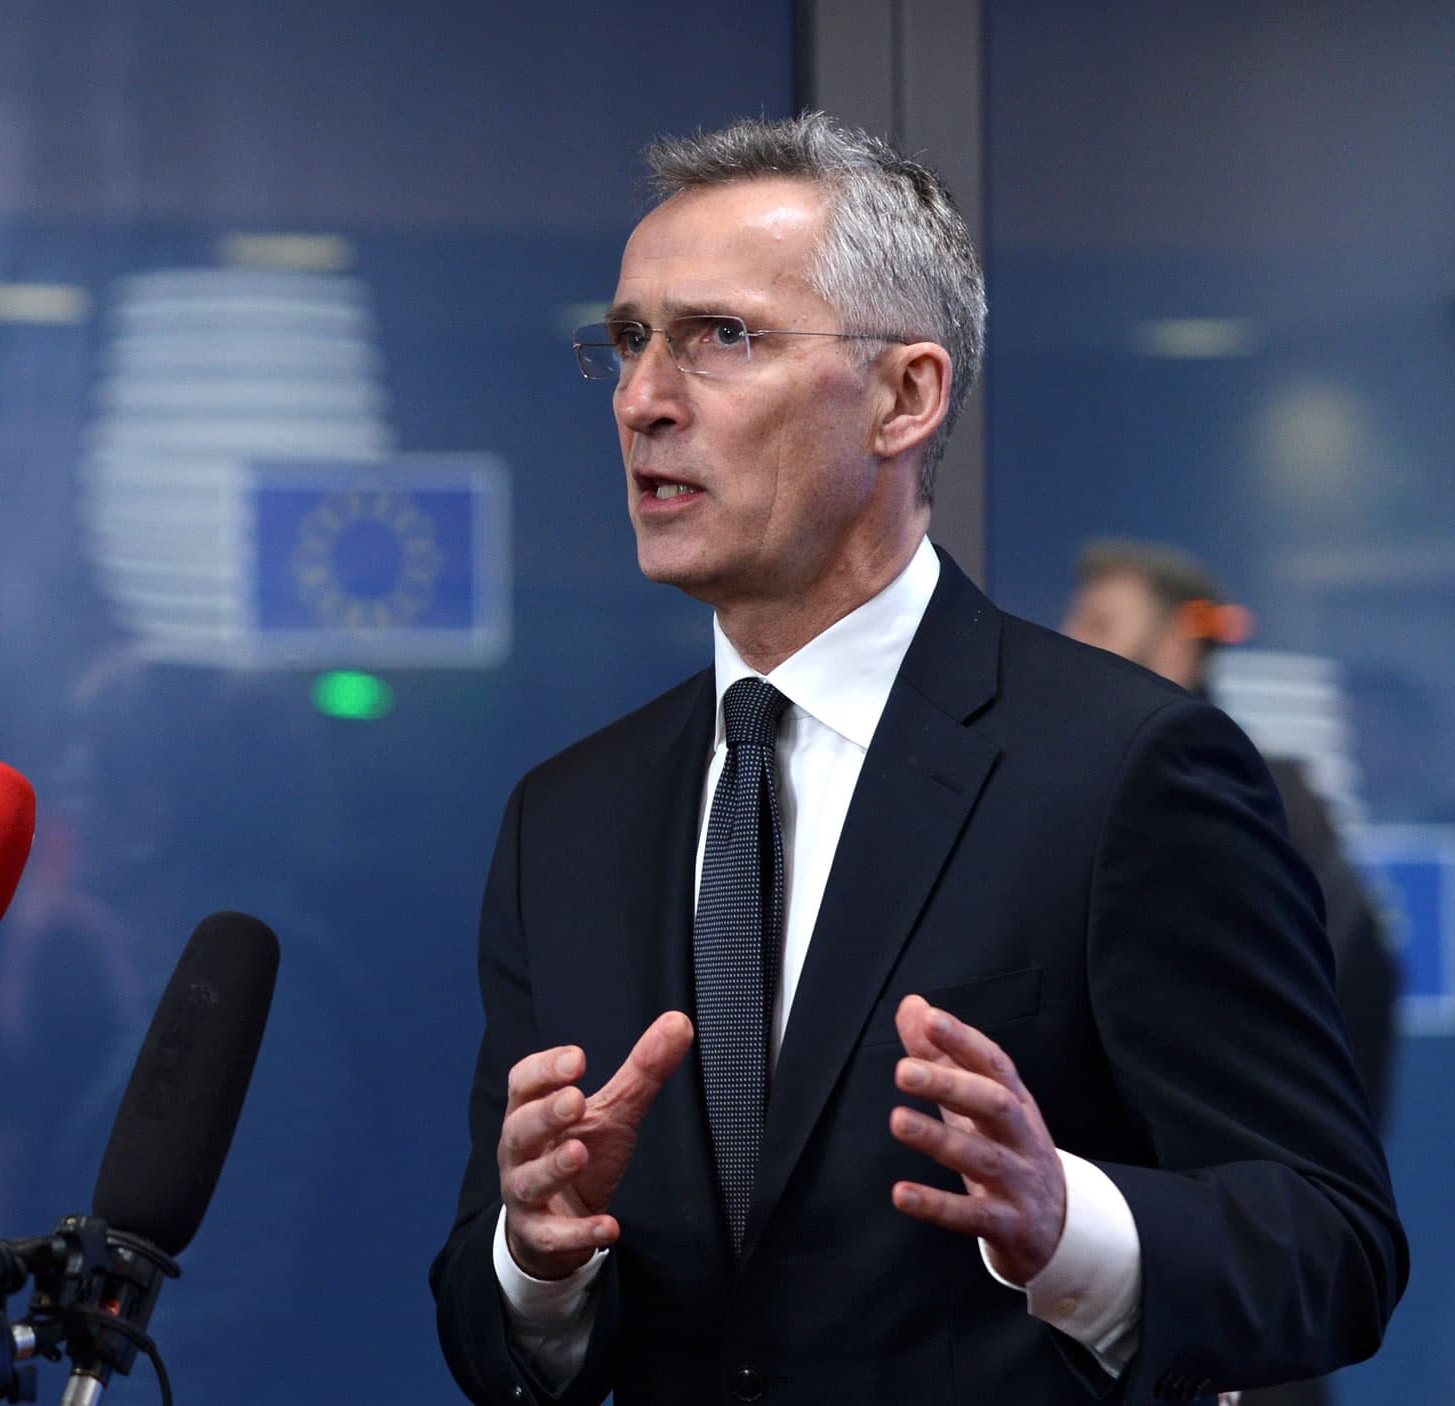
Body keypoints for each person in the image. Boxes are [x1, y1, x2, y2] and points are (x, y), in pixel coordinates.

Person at [430, 113, 1403, 1406]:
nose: (645, 399)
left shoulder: (1127, 771)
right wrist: (537, 1262)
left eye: (722, 336)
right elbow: (488, 1329)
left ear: (906, 395)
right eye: (627, 340)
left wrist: (1070, 1227)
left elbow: (1331, 1246)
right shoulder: (568, 816)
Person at [1063, 539, 1402, 1406]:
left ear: (1178, 645)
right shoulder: (1053, 801)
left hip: (1224, 1311)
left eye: (1100, 623)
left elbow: (1335, 1041)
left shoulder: (1260, 806)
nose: (1068, 640)